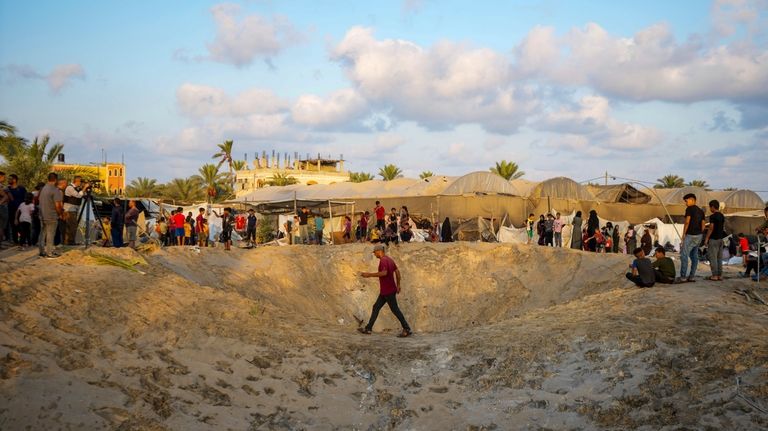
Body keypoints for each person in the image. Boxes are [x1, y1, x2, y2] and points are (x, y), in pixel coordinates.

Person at [358, 244, 412, 338]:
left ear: (379, 251)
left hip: (388, 291)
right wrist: (398, 285)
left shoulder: (383, 260)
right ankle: (368, 328)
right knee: (376, 307)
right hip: (387, 291)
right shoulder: (389, 260)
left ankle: (406, 328)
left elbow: (384, 273)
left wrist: (368, 275)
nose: (374, 255)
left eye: (375, 253)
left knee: (395, 310)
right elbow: (397, 272)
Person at [679, 193, 705, 282]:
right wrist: (701, 233)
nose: (685, 203)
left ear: (692, 200)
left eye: (686, 201)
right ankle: (692, 276)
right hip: (699, 235)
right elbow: (703, 224)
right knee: (694, 256)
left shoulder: (689, 209)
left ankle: (683, 277)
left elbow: (687, 222)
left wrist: (683, 235)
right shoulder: (701, 211)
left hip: (690, 235)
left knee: (684, 255)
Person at [38, 172, 63, 258]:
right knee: (50, 234)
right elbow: (57, 205)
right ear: (55, 180)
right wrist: (60, 214)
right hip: (51, 215)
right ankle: (49, 253)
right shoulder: (55, 190)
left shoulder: (43, 188)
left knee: (42, 234)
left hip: (42, 214)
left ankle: (41, 251)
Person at [62, 176, 89, 245]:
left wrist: (84, 189)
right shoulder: (70, 188)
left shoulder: (77, 188)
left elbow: (83, 195)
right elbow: (78, 196)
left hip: (73, 209)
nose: (81, 183)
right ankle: (70, 241)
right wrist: (84, 187)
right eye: (80, 181)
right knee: (73, 226)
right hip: (69, 210)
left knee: (71, 226)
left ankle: (68, 241)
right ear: (77, 181)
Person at [704, 200, 726, 281]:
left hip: (713, 239)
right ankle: (720, 275)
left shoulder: (713, 216)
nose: (710, 208)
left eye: (710, 207)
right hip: (721, 239)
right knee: (719, 258)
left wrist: (706, 239)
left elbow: (711, 228)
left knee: (713, 258)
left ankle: (714, 275)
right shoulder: (722, 215)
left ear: (713, 207)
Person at [7, 174, 27, 245]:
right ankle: (15, 241)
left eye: (10, 179)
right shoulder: (7, 189)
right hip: (11, 210)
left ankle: (23, 241)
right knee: (13, 226)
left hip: (21, 210)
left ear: (14, 180)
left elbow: (26, 199)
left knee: (22, 226)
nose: (8, 180)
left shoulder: (22, 189)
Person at [0, 171, 10, 248]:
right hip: (2, 208)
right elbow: (5, 197)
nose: (4, 178)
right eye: (3, 177)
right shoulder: (0, 186)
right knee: (1, 227)